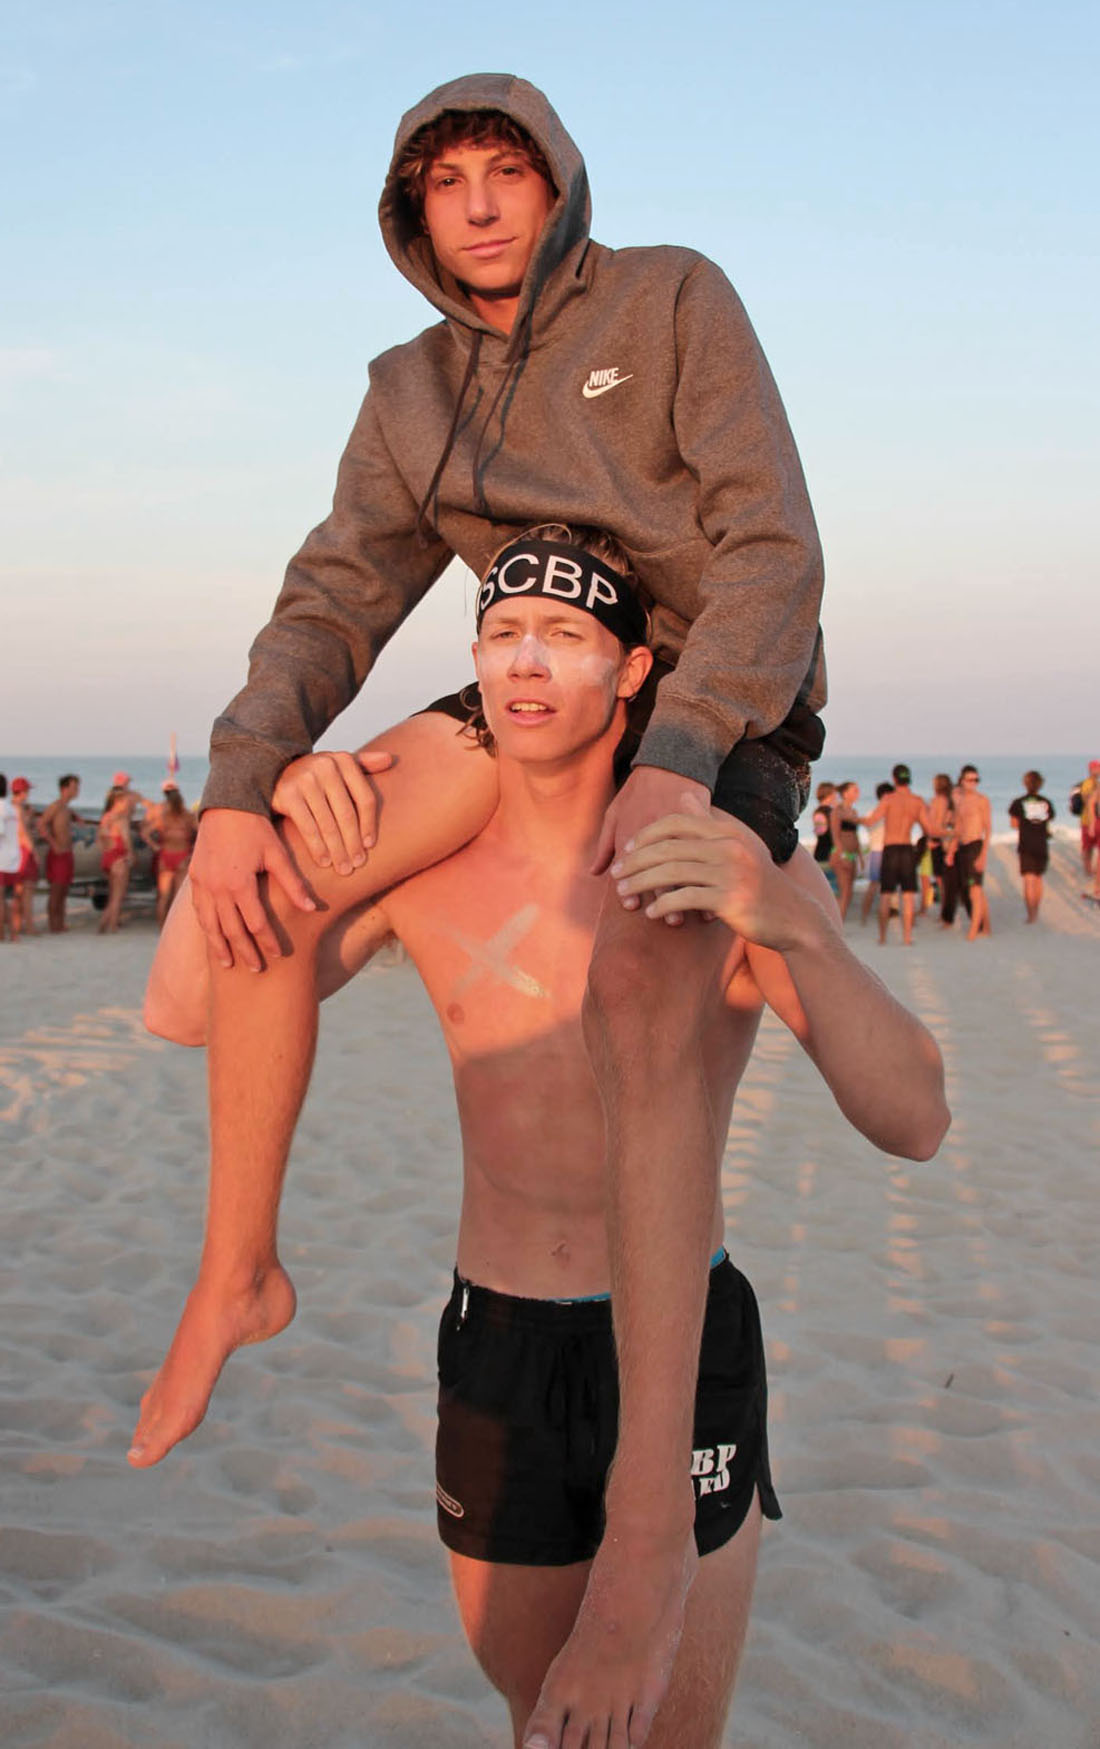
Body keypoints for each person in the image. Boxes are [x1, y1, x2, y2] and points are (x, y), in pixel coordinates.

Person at [141, 75, 829, 1724]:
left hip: (714, 696)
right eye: (442, 180)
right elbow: (337, 593)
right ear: (412, 215)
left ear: (555, 182)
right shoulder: (414, 391)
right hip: (539, 667)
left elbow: (773, 548)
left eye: (503, 169)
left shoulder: (673, 299)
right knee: (270, 879)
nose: (476, 201)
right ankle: (238, 1270)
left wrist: (681, 752)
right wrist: (244, 783)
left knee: (639, 974)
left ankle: (651, 1527)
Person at [130, 541, 948, 1749]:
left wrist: (794, 928)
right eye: (502, 633)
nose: (525, 662)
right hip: (501, 1344)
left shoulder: (721, 862)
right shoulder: (419, 873)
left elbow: (914, 1118)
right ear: (470, 665)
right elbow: (187, 1005)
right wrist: (276, 810)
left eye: (564, 638)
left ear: (632, 673)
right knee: (539, 1723)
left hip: (678, 1346)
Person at [860, 764, 929, 946]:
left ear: (894, 778)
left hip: (890, 849)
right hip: (907, 849)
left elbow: (871, 821)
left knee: (886, 894)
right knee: (908, 896)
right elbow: (928, 828)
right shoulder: (917, 801)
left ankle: (882, 937)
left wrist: (853, 818)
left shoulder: (888, 799)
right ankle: (907, 938)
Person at [949, 764, 993, 941]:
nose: (973, 783)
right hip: (963, 846)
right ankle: (986, 926)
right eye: (970, 780)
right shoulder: (959, 800)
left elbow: (988, 829)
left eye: (976, 780)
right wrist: (951, 849)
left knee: (975, 890)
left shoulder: (982, 800)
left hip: (975, 845)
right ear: (962, 781)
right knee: (975, 890)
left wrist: (983, 855)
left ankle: (973, 931)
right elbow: (958, 826)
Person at [147, 783, 198, 927]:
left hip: (165, 855)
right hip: (182, 855)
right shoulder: (187, 816)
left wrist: (155, 846)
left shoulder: (163, 817)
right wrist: (194, 850)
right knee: (177, 897)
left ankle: (161, 927)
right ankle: (175, 928)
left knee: (164, 896)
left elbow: (145, 832)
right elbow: (202, 833)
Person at [1008, 771, 1054, 924]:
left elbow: (1014, 824)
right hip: (1041, 844)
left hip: (1026, 844)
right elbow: (1048, 821)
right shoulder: (1046, 802)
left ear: (1025, 784)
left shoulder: (1018, 802)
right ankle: (1036, 911)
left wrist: (1026, 825)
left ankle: (1031, 915)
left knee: (1029, 880)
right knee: (1038, 878)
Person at [39, 774, 82, 933]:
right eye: (74, 787)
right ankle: (53, 925)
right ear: (65, 789)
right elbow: (41, 824)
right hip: (58, 854)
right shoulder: (55, 806)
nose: (77, 790)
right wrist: (53, 843)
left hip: (67, 853)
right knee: (56, 891)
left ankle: (60, 923)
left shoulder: (66, 808)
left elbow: (67, 817)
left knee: (64, 891)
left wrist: (76, 817)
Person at [96, 784, 137, 934]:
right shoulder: (121, 818)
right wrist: (131, 855)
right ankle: (111, 925)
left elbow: (100, 840)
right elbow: (126, 839)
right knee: (118, 895)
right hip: (119, 857)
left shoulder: (106, 816)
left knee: (113, 893)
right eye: (126, 800)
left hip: (108, 857)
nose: (128, 803)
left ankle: (104, 924)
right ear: (118, 801)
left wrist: (108, 847)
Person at [8, 777, 40, 937]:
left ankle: (18, 925)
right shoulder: (18, 809)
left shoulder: (12, 807)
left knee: (19, 891)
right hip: (24, 851)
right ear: (21, 792)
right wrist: (34, 852)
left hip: (14, 851)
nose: (28, 794)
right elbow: (23, 833)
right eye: (27, 791)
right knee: (27, 890)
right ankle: (29, 927)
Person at [859, 780, 892, 925]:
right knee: (875, 885)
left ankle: (871, 915)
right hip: (879, 851)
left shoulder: (876, 813)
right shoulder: (876, 813)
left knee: (883, 885)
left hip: (882, 850)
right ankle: (865, 915)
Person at [829, 780, 861, 919]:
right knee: (845, 891)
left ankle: (839, 920)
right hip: (841, 854)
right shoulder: (838, 811)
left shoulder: (853, 811)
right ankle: (838, 922)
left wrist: (860, 856)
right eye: (855, 790)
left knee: (849, 892)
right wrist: (842, 855)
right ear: (845, 793)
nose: (858, 793)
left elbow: (855, 835)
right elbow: (835, 836)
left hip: (852, 854)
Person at [0, 774, 22, 943]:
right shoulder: (11, 808)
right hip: (14, 858)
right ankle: (14, 934)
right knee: (12, 898)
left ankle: (1, 934)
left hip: (2, 858)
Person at [1077, 761, 1100, 879]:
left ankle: (1094, 871)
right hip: (1087, 820)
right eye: (1097, 768)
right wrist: (1095, 795)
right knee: (1087, 847)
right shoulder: (1087, 783)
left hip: (1095, 820)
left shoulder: (1096, 783)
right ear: (1091, 769)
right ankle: (1088, 871)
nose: (1099, 771)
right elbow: (1087, 800)